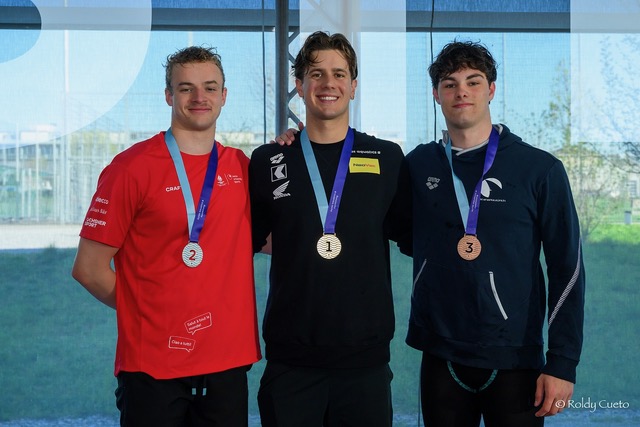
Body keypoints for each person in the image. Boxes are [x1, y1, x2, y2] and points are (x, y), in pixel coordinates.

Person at [71, 45, 261, 427]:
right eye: (186, 88)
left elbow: (282, 236)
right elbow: (88, 269)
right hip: (153, 367)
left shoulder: (242, 168)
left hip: (226, 365)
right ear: (168, 95)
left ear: (224, 96)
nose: (199, 97)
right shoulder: (131, 168)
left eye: (210, 87)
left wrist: (297, 148)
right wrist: (147, 313)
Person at [405, 40, 585, 426]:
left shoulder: (539, 169)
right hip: (440, 354)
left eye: (473, 81)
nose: (462, 92)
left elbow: (567, 269)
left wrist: (563, 362)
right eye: (450, 84)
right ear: (436, 94)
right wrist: (306, 142)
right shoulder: (419, 165)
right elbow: (394, 229)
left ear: (491, 89)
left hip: (515, 358)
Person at [249, 31, 411, 426]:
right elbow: (252, 238)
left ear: (353, 87)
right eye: (316, 74)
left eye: (339, 74)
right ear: (299, 85)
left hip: (365, 364)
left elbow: (410, 236)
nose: (328, 83)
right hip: (291, 363)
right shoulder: (270, 159)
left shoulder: (387, 158)